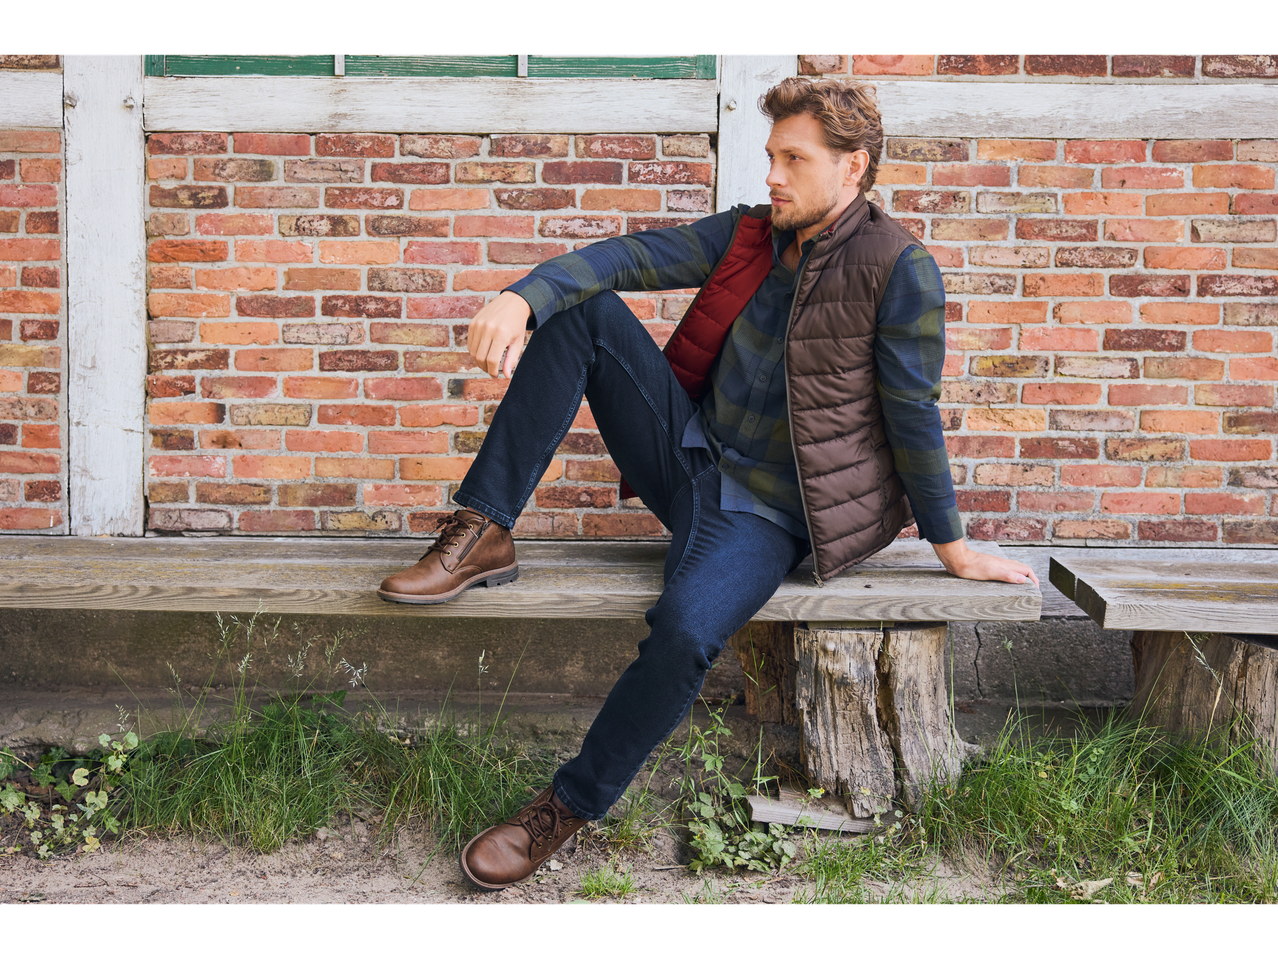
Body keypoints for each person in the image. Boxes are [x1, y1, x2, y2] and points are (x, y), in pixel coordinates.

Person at [378, 76, 1039, 890]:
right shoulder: (751, 237)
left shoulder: (898, 269)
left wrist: (954, 546)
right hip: (688, 454)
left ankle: (564, 808)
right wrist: (523, 295)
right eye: (771, 157)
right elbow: (629, 255)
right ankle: (486, 526)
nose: (773, 176)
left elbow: (914, 413)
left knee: (688, 630)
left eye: (794, 159)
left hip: (767, 514)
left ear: (853, 167)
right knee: (582, 308)